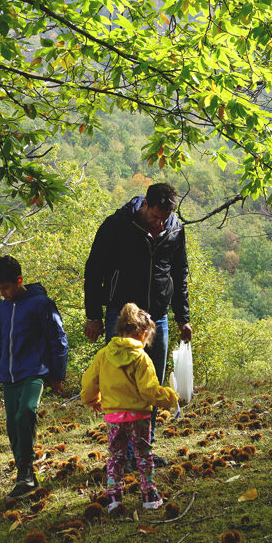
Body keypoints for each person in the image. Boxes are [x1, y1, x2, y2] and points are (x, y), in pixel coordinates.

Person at [83, 182, 191, 465]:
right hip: (122, 315)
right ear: (145, 204)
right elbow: (94, 270)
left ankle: (144, 449)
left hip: (158, 317)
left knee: (150, 380)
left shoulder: (175, 230)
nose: (159, 223)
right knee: (121, 382)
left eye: (164, 218)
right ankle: (122, 451)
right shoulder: (117, 225)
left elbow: (179, 274)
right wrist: (93, 314)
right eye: (155, 217)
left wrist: (183, 317)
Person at [0, 254, 69, 498]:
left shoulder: (41, 304)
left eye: (5, 288)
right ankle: (25, 476)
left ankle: (26, 471)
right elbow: (0, 342)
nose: (2, 293)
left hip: (35, 372)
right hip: (8, 377)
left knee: (26, 412)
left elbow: (58, 339)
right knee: (13, 425)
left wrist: (57, 375)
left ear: (19, 280)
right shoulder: (2, 309)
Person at [81, 303, 178, 512]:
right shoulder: (142, 358)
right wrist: (171, 397)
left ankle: (114, 497)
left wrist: (91, 399)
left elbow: (89, 382)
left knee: (115, 457)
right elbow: (149, 391)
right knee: (143, 456)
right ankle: (149, 495)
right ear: (143, 333)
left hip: (113, 417)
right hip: (138, 416)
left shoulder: (104, 354)